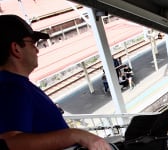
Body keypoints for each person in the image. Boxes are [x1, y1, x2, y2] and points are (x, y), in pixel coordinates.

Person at [0, 15, 111, 150]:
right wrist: (75, 135)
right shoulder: (11, 88)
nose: (37, 50)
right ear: (16, 48)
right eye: (32, 43)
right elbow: (11, 143)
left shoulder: (17, 85)